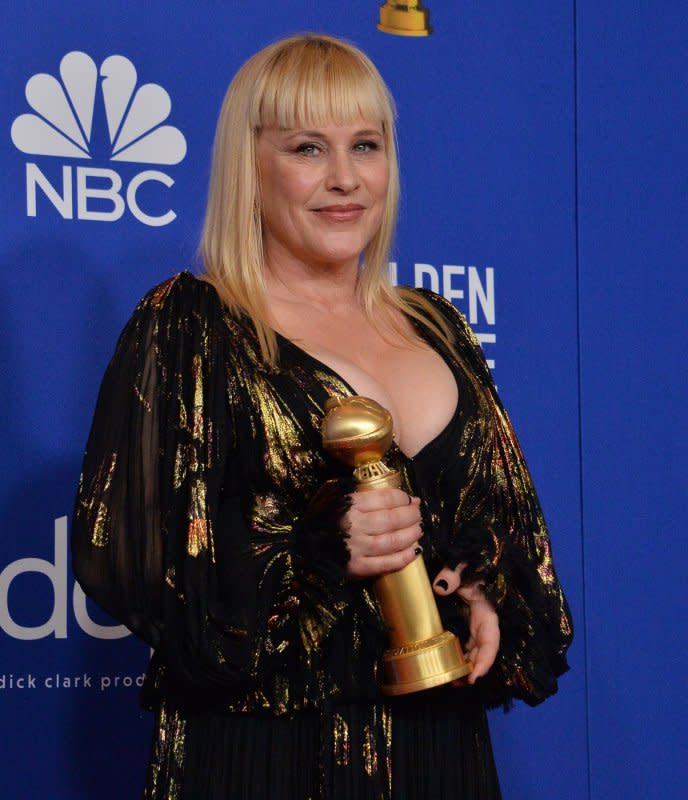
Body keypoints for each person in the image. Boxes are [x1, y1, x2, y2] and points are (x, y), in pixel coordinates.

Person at [72, 33, 572, 800]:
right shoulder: (193, 327)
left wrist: (477, 585)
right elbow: (130, 562)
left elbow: (513, 526)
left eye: (364, 145)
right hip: (264, 750)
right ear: (252, 166)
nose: (345, 180)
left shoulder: (439, 325)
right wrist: (316, 545)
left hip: (438, 746)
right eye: (308, 148)